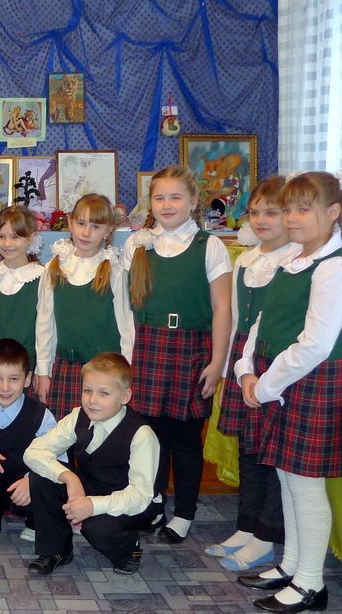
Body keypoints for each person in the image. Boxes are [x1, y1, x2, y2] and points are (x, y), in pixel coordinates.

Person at [235, 171, 342, 613]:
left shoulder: (333, 266)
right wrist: (245, 369)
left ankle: (311, 584)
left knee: (305, 485)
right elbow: (261, 321)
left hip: (308, 381)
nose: (293, 218)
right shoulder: (293, 257)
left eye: (303, 209)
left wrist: (265, 385)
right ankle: (293, 565)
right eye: (289, 209)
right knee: (285, 476)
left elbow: (315, 344)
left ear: (332, 213)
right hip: (276, 379)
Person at [123, 166, 232, 544]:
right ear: (150, 203)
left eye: (175, 197)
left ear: (193, 201)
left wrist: (218, 363)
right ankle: (153, 502)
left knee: (185, 438)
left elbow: (222, 308)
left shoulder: (209, 246)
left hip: (190, 348)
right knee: (149, 435)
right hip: (146, 347)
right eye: (159, 198)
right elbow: (125, 306)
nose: (167, 205)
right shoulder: (138, 244)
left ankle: (184, 511)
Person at [208, 176, 290, 571]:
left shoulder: (293, 262)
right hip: (244, 364)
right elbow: (237, 317)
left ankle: (267, 535)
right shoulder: (245, 259)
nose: (260, 220)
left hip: (276, 365)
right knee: (249, 448)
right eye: (255, 212)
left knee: (272, 454)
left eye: (271, 213)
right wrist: (230, 368)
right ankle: (246, 525)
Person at [24, 353, 161, 576]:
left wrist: (91, 505)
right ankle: (56, 550)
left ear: (125, 396)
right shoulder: (78, 416)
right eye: (87, 391)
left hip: (133, 501)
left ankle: (130, 548)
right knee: (41, 477)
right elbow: (33, 452)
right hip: (93, 485)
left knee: (96, 528)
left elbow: (140, 496)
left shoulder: (141, 434)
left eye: (104, 393)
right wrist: (70, 478)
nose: (92, 400)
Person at [36, 194, 134, 418]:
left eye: (95, 226)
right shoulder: (55, 267)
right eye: (81, 223)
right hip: (66, 369)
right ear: (70, 223)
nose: (86, 232)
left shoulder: (113, 269)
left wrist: (126, 371)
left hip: (106, 372)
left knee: (102, 432)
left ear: (108, 230)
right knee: (65, 431)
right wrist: (43, 372)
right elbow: (44, 325)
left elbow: (126, 326)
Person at [0, 338, 57, 545]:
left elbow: (55, 454)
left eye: (14, 379)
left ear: (27, 379)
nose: (5, 387)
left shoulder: (40, 415)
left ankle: (36, 522)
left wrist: (32, 479)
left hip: (24, 479)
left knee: (46, 482)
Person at [0, 206, 45, 390]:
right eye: (1, 236)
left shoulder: (41, 276)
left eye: (15, 237)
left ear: (30, 238)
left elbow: (45, 327)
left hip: (27, 366)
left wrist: (42, 370)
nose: (7, 243)